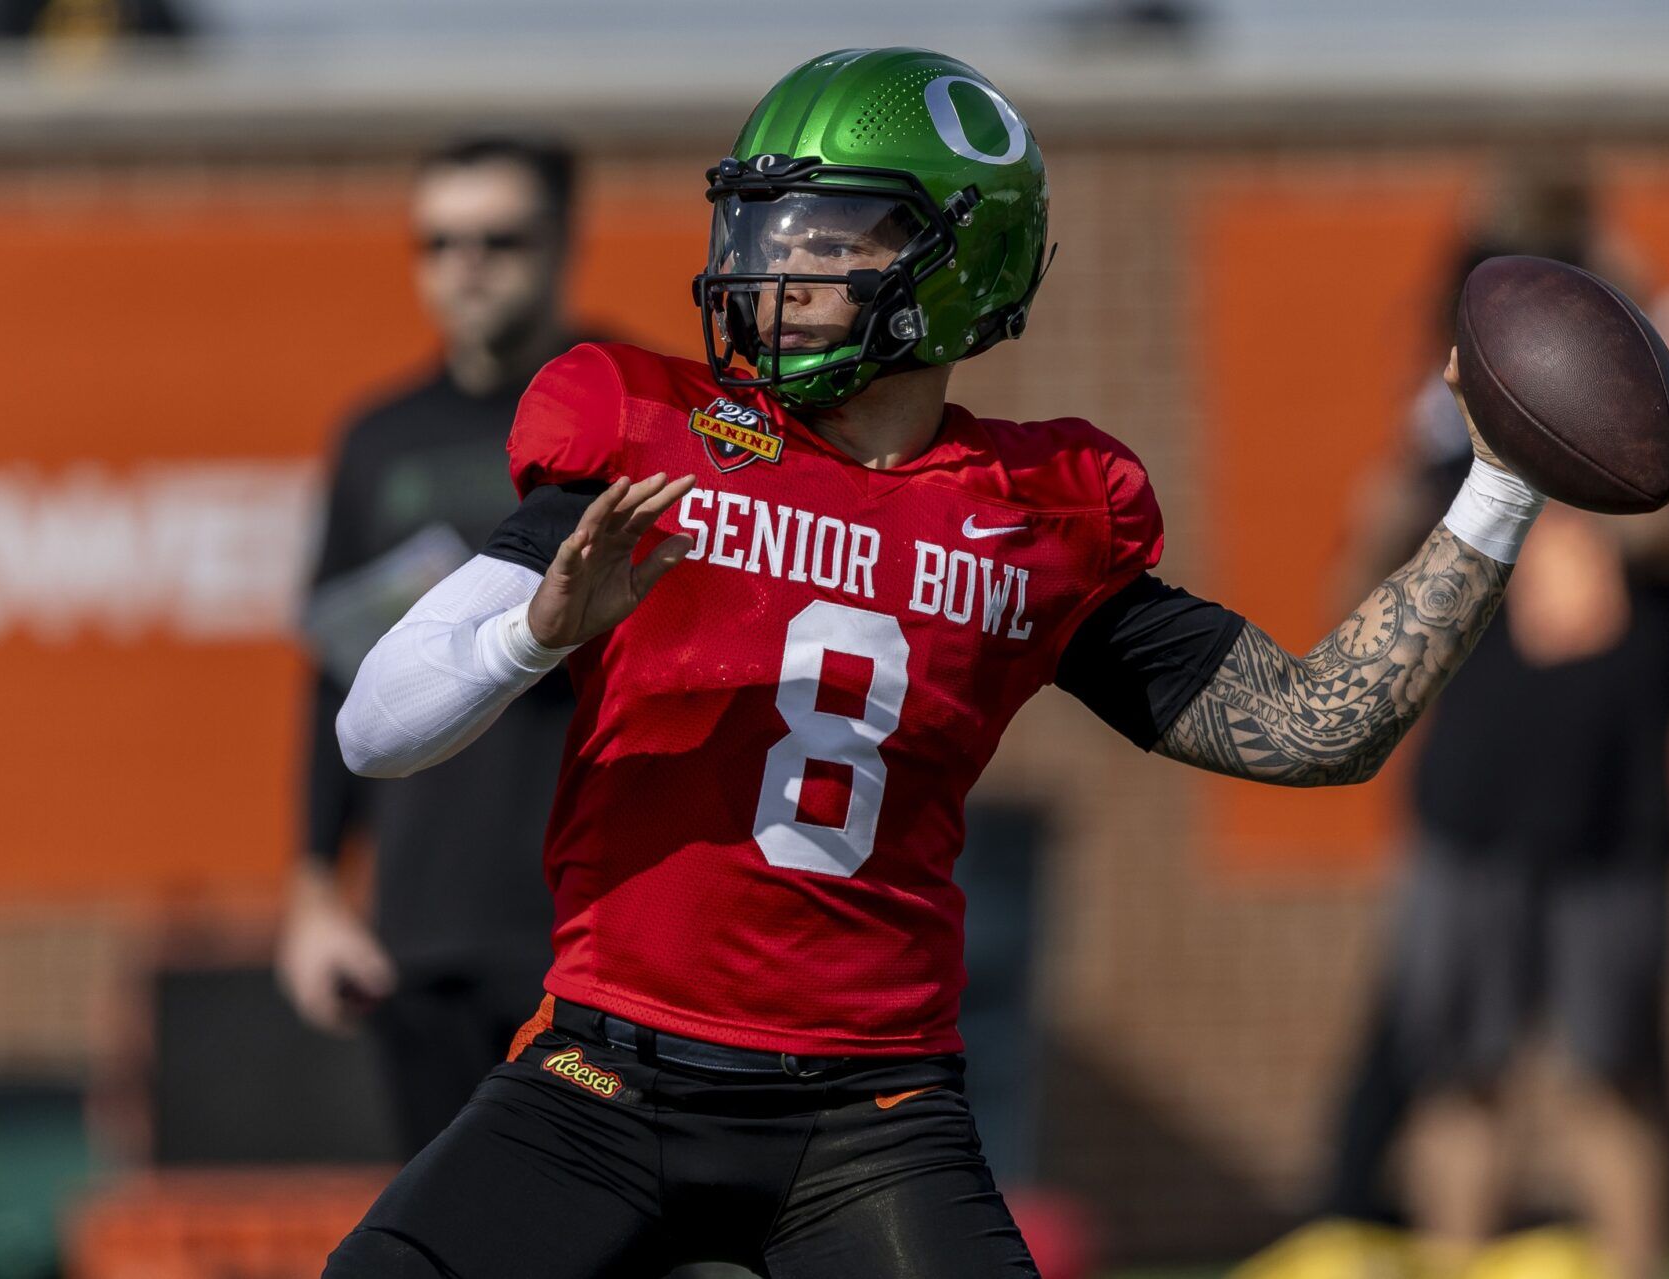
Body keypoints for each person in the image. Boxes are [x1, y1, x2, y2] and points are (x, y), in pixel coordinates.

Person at [320, 48, 1556, 1278]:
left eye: (832, 232)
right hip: (604, 1068)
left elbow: (1314, 727)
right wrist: (536, 629)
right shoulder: (655, 440)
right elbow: (374, 728)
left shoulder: (1037, 515)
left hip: (867, 1114)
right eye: (764, 224)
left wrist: (1497, 489)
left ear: (960, 260)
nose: (779, 264)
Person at [1321, 212, 1669, 1279]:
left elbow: (1666, 524)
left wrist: (1597, 379)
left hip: (1615, 820)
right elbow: (1356, 605)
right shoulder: (1448, 474)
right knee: (1462, 1078)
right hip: (1472, 811)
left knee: (1617, 1081)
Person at [276, 135, 603, 1159]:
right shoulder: (379, 440)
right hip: (423, 932)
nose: (467, 265)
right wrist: (317, 891)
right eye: (440, 241)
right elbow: (337, 670)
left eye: (500, 238)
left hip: (591, 928)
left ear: (563, 243)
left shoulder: (630, 420)